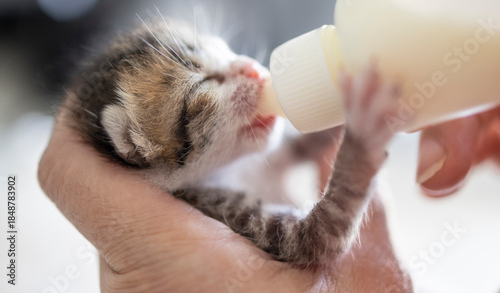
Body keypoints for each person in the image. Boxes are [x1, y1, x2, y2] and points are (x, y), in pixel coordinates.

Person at [38, 106, 500, 292]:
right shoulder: (200, 199)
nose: (252, 71)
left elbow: (296, 152)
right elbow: (311, 241)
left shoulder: (231, 161)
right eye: (201, 99)